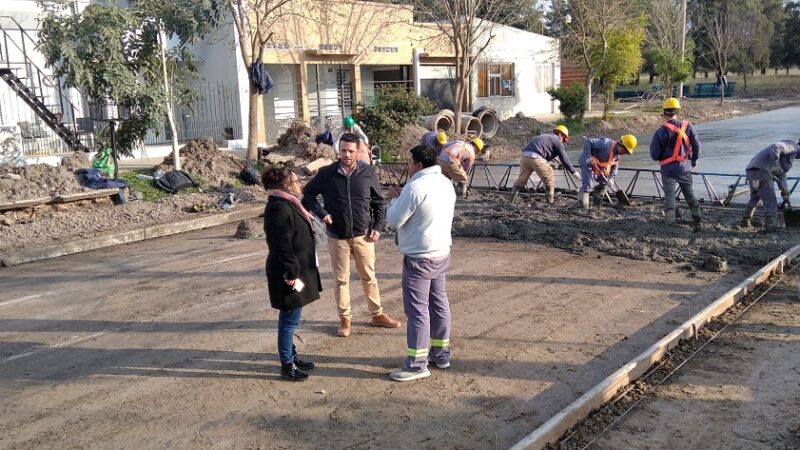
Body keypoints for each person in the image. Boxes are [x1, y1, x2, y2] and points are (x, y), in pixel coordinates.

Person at [302, 133, 401, 337]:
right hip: (337, 237)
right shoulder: (326, 173)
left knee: (369, 277)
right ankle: (345, 319)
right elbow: (308, 194)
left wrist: (378, 226)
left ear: (358, 152)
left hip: (363, 236)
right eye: (343, 150)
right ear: (339, 151)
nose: (346, 154)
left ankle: (377, 314)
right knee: (341, 280)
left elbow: (378, 202)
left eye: (351, 151)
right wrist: (322, 213)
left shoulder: (368, 172)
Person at [386, 144, 457, 382]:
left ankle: (417, 364)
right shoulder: (446, 183)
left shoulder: (415, 186)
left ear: (417, 164)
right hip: (441, 253)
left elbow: (394, 221)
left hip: (419, 258)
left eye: (409, 161)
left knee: (418, 311)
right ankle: (441, 354)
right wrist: (402, 198)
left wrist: (393, 202)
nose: (408, 165)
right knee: (439, 303)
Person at [262, 166, 322, 382]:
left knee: (292, 317)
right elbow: (281, 245)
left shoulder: (288, 203)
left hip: (295, 269)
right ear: (285, 184)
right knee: (288, 320)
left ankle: (292, 356)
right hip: (287, 272)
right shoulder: (279, 208)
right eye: (295, 180)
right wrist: (291, 272)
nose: (299, 183)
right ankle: (287, 364)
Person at [650, 97, 702, 231]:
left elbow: (654, 155)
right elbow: (696, 145)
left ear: (664, 113)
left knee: (669, 196)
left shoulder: (660, 132)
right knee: (689, 194)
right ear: (678, 112)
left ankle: (670, 222)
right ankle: (697, 219)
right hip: (685, 168)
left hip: (668, 170)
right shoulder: (687, 126)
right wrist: (694, 160)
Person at [741, 139, 800, 231]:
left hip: (752, 171)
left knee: (755, 198)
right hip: (762, 172)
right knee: (771, 203)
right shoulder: (793, 146)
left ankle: (745, 222)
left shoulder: (788, 154)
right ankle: (770, 229)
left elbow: (781, 174)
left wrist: (785, 191)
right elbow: (776, 146)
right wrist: (775, 165)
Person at [511, 125, 580, 204]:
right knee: (549, 177)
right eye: (563, 139)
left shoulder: (544, 136)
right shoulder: (557, 140)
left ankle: (511, 200)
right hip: (537, 158)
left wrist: (553, 159)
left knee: (521, 180)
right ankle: (550, 202)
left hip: (525, 157)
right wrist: (573, 171)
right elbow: (564, 158)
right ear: (560, 134)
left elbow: (541, 148)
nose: (562, 142)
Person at [577, 134, 638, 209]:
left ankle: (596, 205)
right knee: (588, 185)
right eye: (625, 150)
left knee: (604, 182)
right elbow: (588, 141)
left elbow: (614, 169)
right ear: (621, 145)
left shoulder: (617, 157)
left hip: (598, 164)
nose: (625, 153)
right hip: (587, 161)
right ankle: (583, 206)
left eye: (627, 152)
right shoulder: (605, 143)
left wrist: (611, 179)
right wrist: (588, 156)